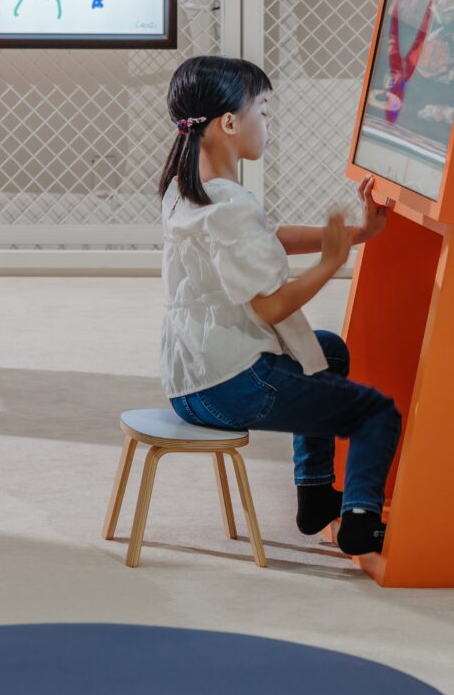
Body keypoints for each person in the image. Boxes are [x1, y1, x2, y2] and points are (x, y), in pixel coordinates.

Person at [158, 55, 399, 560]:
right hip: (235, 386)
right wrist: (331, 262)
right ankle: (361, 522)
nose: (269, 125)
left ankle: (315, 494)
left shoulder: (186, 191)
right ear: (229, 123)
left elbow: (269, 237)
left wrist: (359, 234)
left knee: (326, 351)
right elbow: (270, 308)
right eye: (263, 112)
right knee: (375, 413)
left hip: (189, 383)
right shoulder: (231, 207)